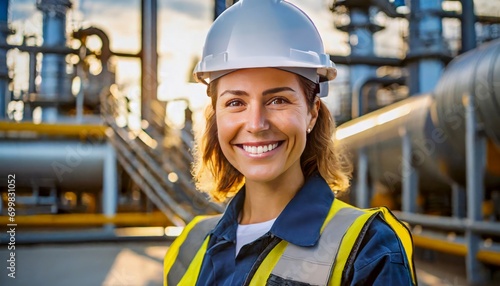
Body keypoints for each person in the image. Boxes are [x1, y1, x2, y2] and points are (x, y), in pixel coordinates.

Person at [164, 0, 417, 285]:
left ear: (312, 112)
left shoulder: (367, 249)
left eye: (278, 100)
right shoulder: (190, 245)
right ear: (216, 117)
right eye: (235, 102)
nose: (256, 124)